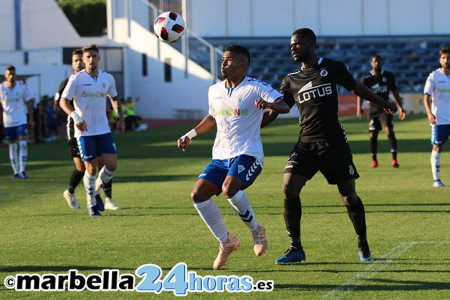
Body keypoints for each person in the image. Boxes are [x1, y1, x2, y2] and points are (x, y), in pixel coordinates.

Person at [257, 28, 397, 264]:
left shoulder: (332, 67)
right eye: (291, 44)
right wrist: (254, 124)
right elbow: (279, 109)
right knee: (288, 188)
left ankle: (363, 243)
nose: (292, 47)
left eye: (297, 44)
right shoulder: (290, 80)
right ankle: (296, 248)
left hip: (334, 143)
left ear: (311, 45)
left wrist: (383, 102)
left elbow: (356, 88)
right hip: (306, 143)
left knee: (348, 196)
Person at [177, 45, 285, 270]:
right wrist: (190, 134)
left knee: (229, 188)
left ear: (242, 64)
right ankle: (227, 242)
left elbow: (283, 105)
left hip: (249, 153)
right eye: (222, 60)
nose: (222, 64)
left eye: (227, 60)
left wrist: (269, 105)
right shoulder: (214, 90)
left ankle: (257, 231)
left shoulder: (255, 87)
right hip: (220, 156)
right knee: (198, 194)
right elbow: (212, 117)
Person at [60, 44, 125, 216]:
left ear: (99, 58)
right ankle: (92, 205)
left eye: (94, 56)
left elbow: (115, 99)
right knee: (90, 168)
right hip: (84, 131)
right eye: (87, 57)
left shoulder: (107, 78)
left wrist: (121, 118)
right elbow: (63, 101)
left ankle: (96, 190)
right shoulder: (76, 79)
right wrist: (75, 116)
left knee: (112, 165)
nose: (91, 60)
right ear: (83, 60)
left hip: (103, 129)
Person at [356, 55, 406, 168]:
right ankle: (374, 160)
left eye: (378, 61)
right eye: (374, 61)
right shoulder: (366, 77)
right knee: (373, 135)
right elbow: (360, 93)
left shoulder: (388, 76)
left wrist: (400, 107)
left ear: (382, 62)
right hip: (372, 110)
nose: (377, 63)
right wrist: (359, 108)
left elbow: (394, 91)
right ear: (371, 63)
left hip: (385, 109)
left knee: (389, 131)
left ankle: (394, 159)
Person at [0, 65, 35, 179]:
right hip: (8, 122)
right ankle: (15, 172)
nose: (11, 76)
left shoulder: (22, 87)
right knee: (13, 146)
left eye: (13, 74)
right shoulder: (1, 88)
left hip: (21, 120)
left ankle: (23, 170)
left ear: (16, 75)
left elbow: (29, 102)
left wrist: (31, 118)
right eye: (9, 74)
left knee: (23, 144)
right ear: (5, 76)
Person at [423, 46, 450, 188]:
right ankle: (436, 180)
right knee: (438, 147)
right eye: (444, 58)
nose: (446, 61)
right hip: (440, 119)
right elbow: (426, 96)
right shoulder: (434, 76)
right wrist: (429, 113)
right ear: (440, 60)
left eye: (448, 58)